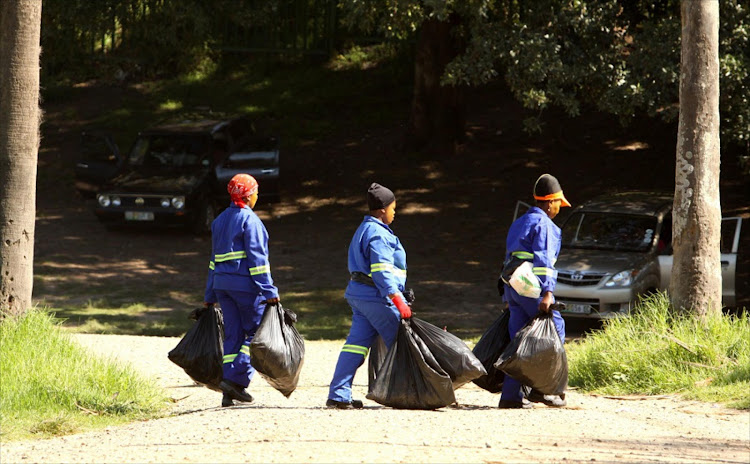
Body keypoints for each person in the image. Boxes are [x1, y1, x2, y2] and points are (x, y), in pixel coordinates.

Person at [326, 182, 412, 409]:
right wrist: (397, 298)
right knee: (405, 343)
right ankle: (412, 392)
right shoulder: (378, 234)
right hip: (377, 298)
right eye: (394, 208)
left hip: (359, 295)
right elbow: (382, 271)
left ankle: (338, 393)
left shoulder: (363, 229)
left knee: (355, 344)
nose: (395, 213)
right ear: (383, 209)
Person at [203, 173, 280, 407]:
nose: (258, 195)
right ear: (249, 195)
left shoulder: (219, 220)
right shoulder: (251, 221)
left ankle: (228, 386)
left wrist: (209, 295)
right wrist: (269, 291)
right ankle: (237, 381)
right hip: (245, 287)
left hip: (222, 286)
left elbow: (213, 261)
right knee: (256, 335)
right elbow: (257, 261)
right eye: (256, 191)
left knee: (233, 335)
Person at [499, 173, 570, 409]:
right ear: (550, 202)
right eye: (559, 202)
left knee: (518, 340)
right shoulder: (545, 225)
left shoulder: (519, 222)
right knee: (553, 326)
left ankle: (510, 396)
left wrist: (505, 295)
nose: (560, 207)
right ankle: (545, 389)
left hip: (513, 287)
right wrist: (548, 293)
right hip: (532, 286)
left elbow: (508, 258)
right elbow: (544, 261)